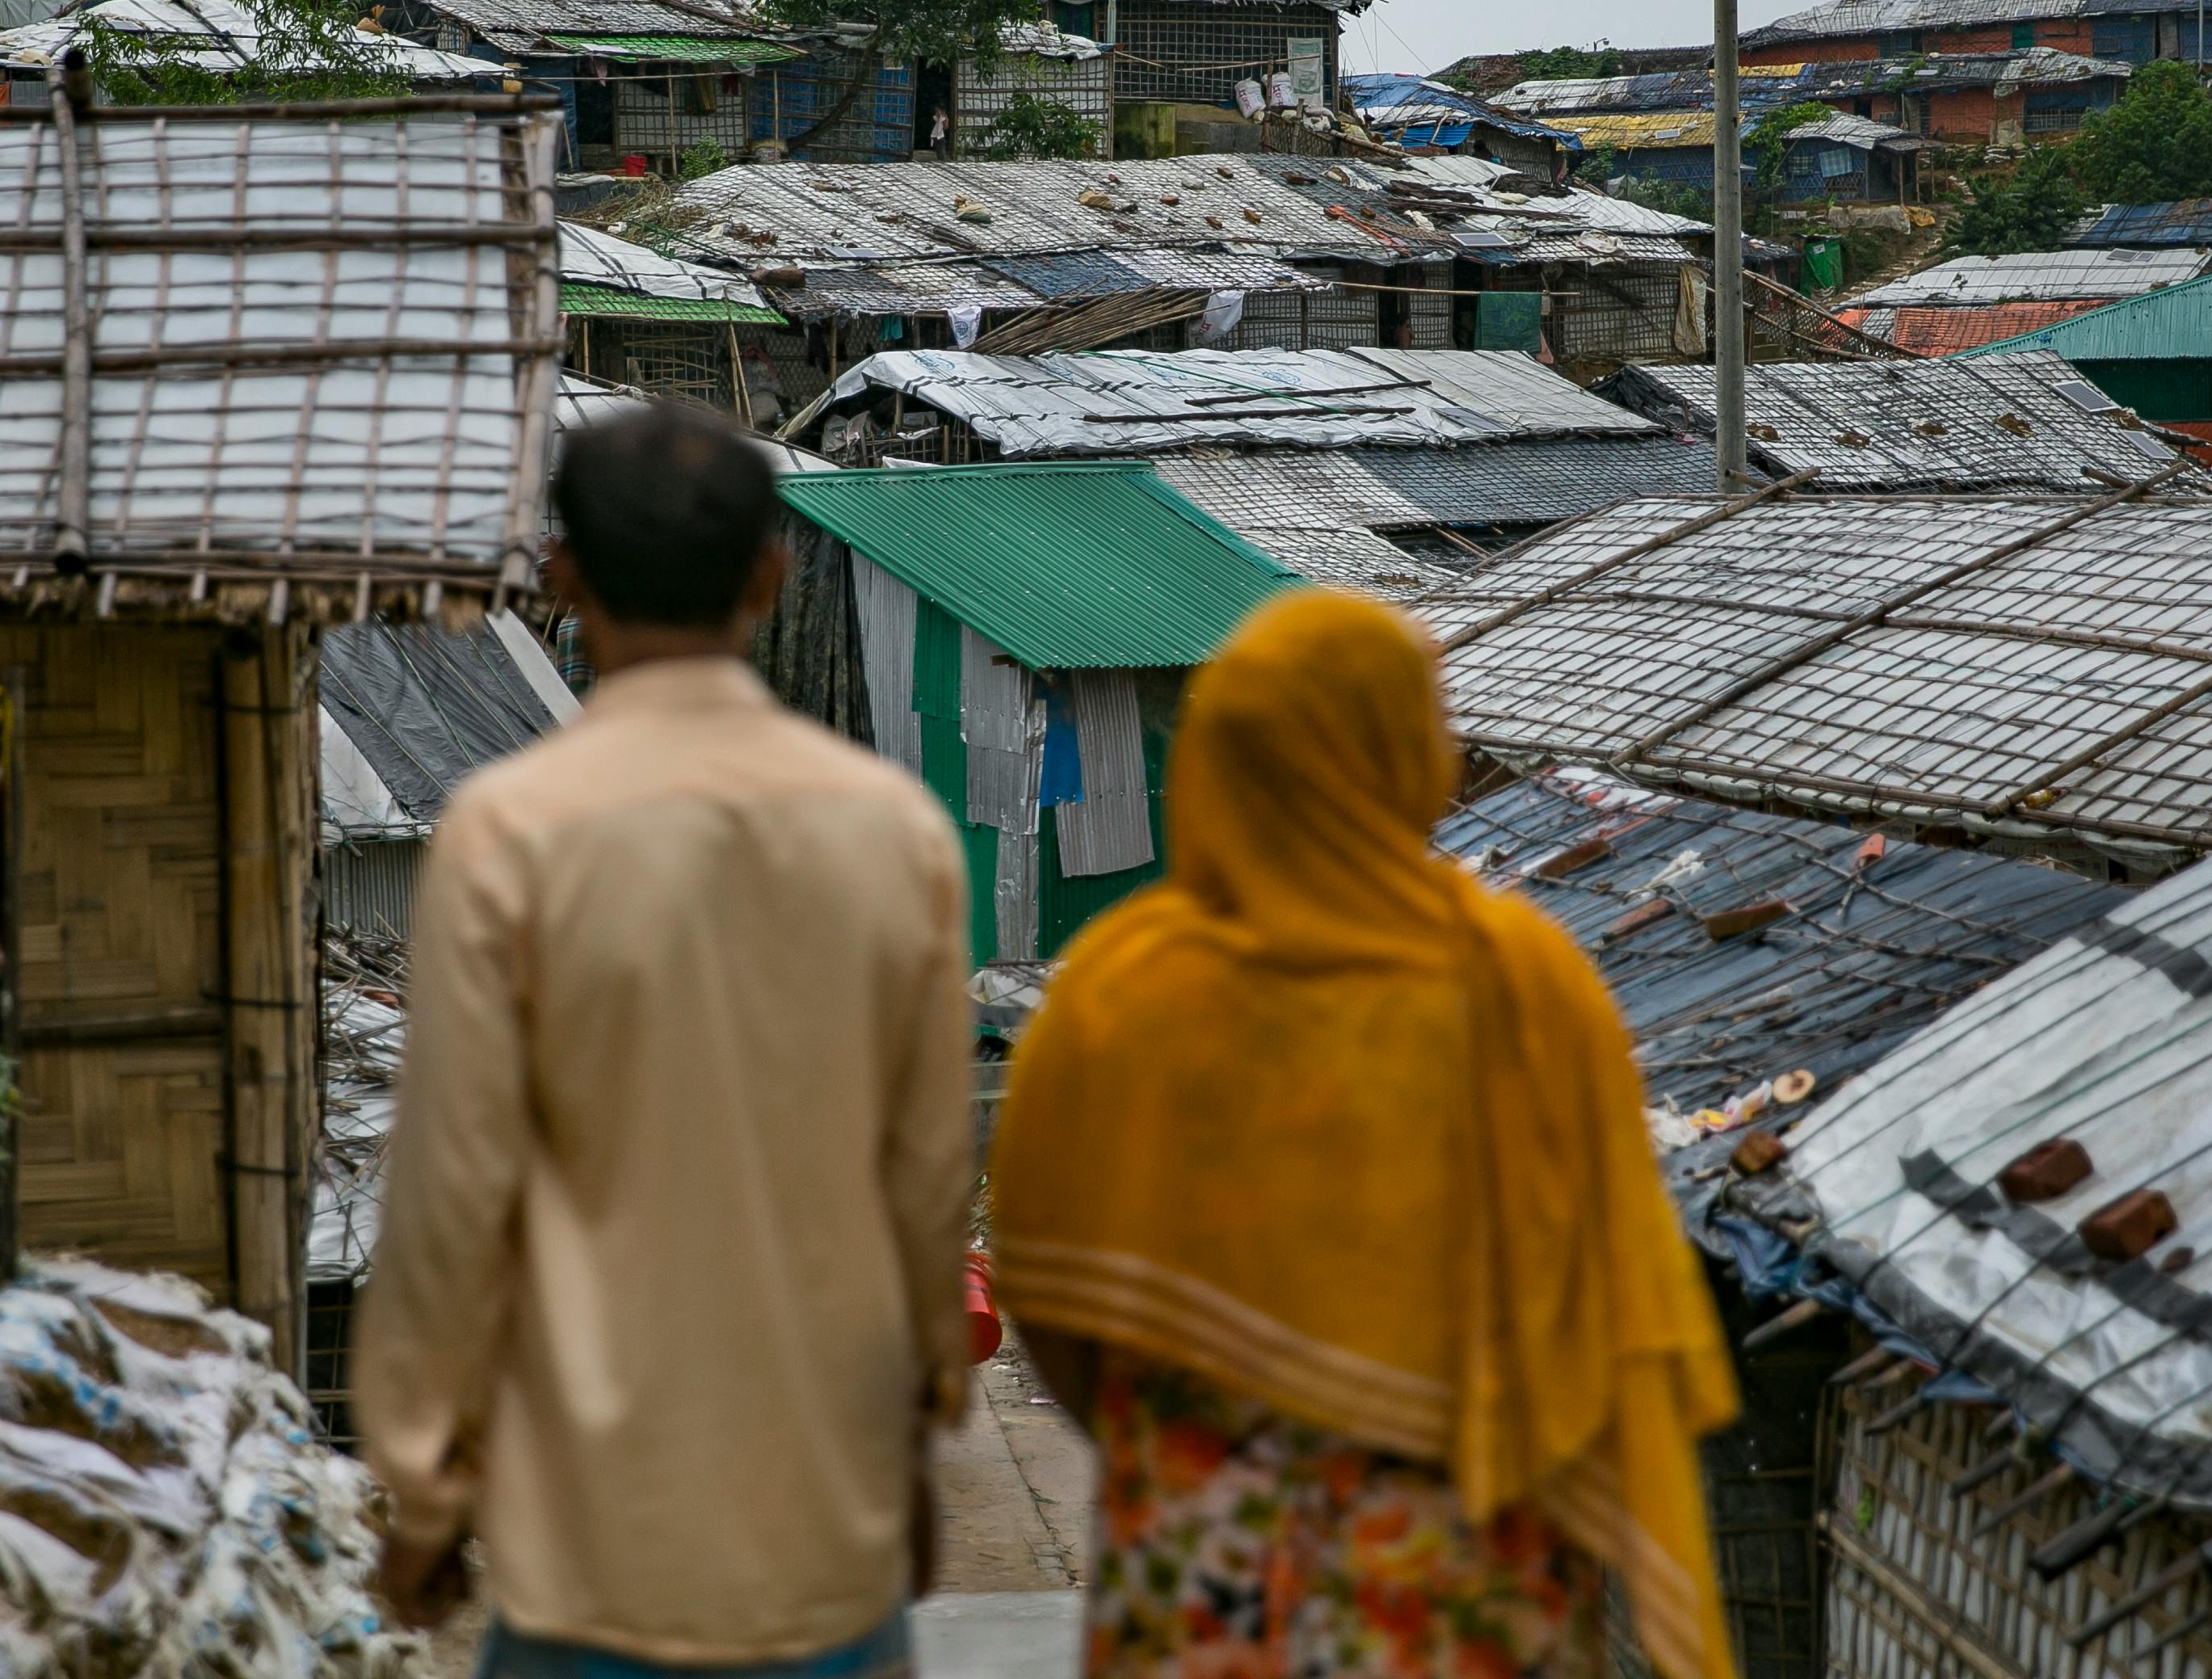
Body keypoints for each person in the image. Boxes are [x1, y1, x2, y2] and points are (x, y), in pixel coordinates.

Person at [986, 590, 1739, 1679]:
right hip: (1465, 1571)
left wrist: (1194, 1439)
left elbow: (1049, 1295)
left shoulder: (1121, 990)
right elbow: (1614, 1301)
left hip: (1208, 1556)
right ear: (1405, 753)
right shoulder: (1520, 984)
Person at [355, 405, 970, 1678]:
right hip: (825, 1532)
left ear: (564, 578)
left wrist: (423, 1489)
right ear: (770, 576)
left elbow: (450, 1203)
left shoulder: (511, 833)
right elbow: (924, 1191)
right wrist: (919, 1441)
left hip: (592, 1547)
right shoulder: (891, 831)